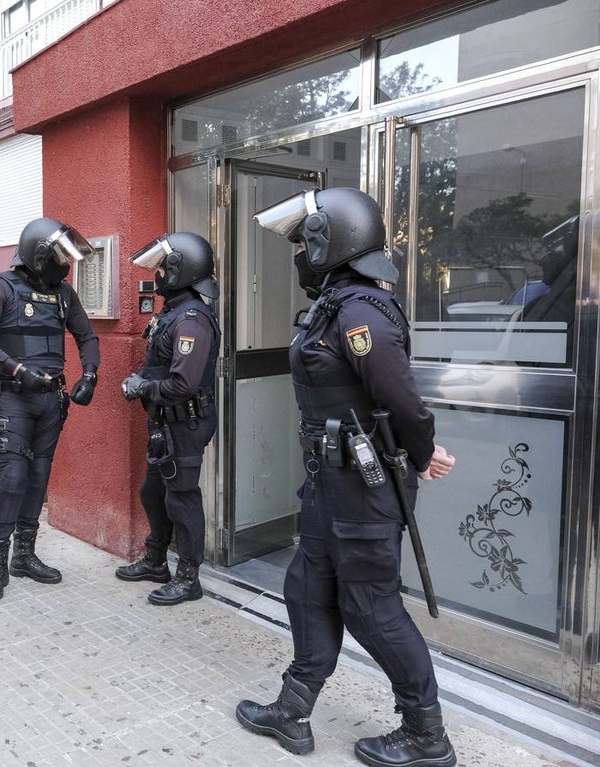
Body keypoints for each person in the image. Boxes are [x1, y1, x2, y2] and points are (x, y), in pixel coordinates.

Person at [236, 187, 458, 767]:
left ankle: (426, 735)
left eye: (303, 243)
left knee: (369, 607)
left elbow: (404, 404)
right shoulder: (334, 306)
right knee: (307, 588)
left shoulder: (362, 313)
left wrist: (421, 453)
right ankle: (293, 710)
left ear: (329, 243)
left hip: (364, 486)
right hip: (328, 482)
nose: (298, 255)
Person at [0, 217, 101, 603]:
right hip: (13, 398)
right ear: (39, 256)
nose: (65, 265)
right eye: (59, 256)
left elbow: (87, 336)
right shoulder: (1, 288)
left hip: (51, 401)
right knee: (12, 480)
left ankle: (24, 555)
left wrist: (90, 374)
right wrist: (18, 370)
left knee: (38, 479)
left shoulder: (64, 294)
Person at [116, 232, 220, 605]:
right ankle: (156, 560)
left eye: (161, 267)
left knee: (182, 499)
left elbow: (183, 384)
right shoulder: (172, 312)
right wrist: (143, 382)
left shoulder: (192, 320)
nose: (157, 274)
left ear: (179, 270)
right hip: (166, 422)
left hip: (185, 422)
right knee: (153, 492)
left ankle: (189, 578)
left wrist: (142, 387)